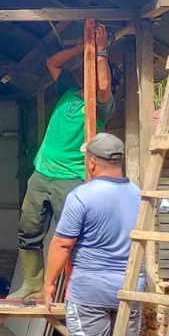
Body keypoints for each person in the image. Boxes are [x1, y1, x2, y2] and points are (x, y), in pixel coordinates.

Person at [41, 132, 144, 336]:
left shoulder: (82, 196)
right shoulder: (140, 195)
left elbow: (62, 244)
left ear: (92, 163)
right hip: (131, 287)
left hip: (90, 290)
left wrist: (48, 284)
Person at [9, 24, 114, 298]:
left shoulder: (100, 106)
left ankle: (73, 291)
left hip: (71, 178)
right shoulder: (68, 91)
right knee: (28, 230)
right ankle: (32, 283)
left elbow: (103, 86)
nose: (84, 74)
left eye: (89, 69)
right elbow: (52, 62)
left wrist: (100, 50)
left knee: (70, 236)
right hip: (41, 174)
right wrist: (81, 47)